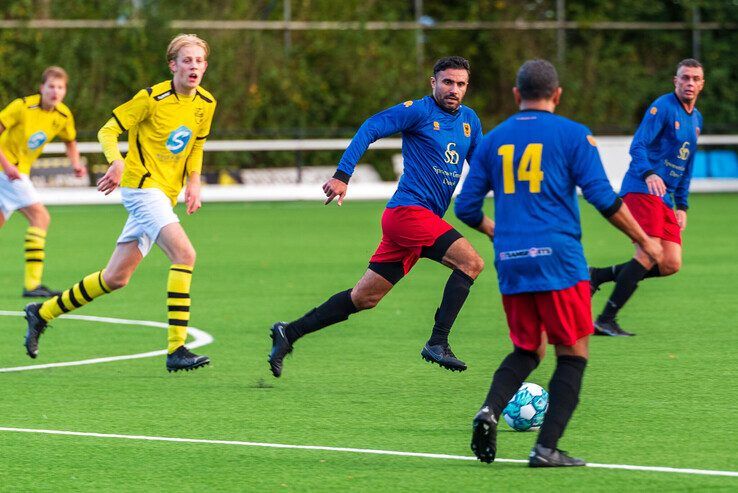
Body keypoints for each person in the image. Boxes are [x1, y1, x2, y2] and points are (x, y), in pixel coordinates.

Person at [455, 60, 662, 466]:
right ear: (558, 94)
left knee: (527, 349)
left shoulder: (494, 140)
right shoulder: (572, 135)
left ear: (517, 95)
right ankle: (545, 448)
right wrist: (643, 240)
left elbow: (465, 207)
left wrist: (499, 233)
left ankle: (489, 410)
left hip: (513, 262)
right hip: (559, 260)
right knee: (573, 351)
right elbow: (603, 197)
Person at [268, 56, 485, 378]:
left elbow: (481, 166)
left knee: (364, 297)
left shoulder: (470, 120)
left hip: (418, 222)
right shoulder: (418, 111)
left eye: (461, 84)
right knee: (471, 263)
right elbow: (371, 126)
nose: (454, 89)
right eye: (447, 82)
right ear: (433, 82)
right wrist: (343, 175)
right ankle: (438, 341)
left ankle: (290, 332)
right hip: (408, 213)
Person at [23, 34, 217, 373]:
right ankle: (176, 349)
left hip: (165, 194)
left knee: (115, 278)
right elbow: (107, 131)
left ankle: (42, 313)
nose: (194, 67)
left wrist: (194, 182)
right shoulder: (150, 98)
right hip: (142, 188)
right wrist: (117, 161)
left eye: (199, 61)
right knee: (185, 254)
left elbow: (196, 146)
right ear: (173, 65)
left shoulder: (206, 103)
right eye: (187, 60)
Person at [589, 59, 704, 336]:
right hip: (642, 188)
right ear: (675, 81)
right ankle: (606, 319)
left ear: (702, 84)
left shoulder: (696, 118)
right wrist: (650, 173)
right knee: (649, 251)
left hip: (665, 198)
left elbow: (686, 166)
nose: (689, 83)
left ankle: (598, 276)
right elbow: (638, 145)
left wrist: (682, 205)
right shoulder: (663, 107)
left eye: (695, 79)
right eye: (684, 78)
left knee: (670, 263)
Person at [0, 66, 86, 298]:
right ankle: (32, 285)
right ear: (42, 88)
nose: (55, 91)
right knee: (41, 217)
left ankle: (32, 285)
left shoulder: (63, 115)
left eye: (60, 87)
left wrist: (76, 163)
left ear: (65, 90)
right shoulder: (22, 106)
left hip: (15, 172)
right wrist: (7, 166)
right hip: (7, 170)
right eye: (51, 86)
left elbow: (70, 140)